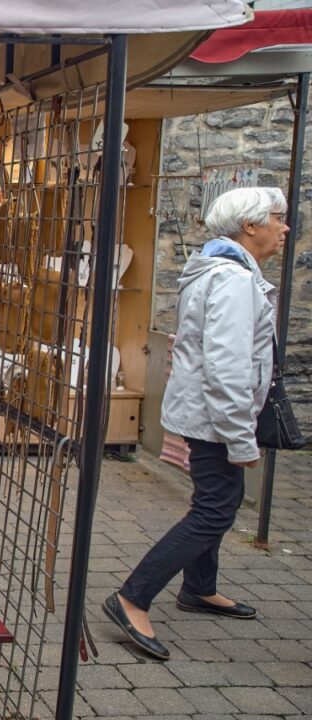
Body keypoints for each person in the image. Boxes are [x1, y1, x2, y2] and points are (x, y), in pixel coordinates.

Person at [104, 187, 285, 661]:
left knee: (213, 501)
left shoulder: (220, 271)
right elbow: (226, 367)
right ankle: (132, 597)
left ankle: (200, 588)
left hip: (207, 413)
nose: (284, 228)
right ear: (249, 226)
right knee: (216, 509)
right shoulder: (231, 280)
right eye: (276, 219)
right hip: (215, 417)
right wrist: (239, 437)